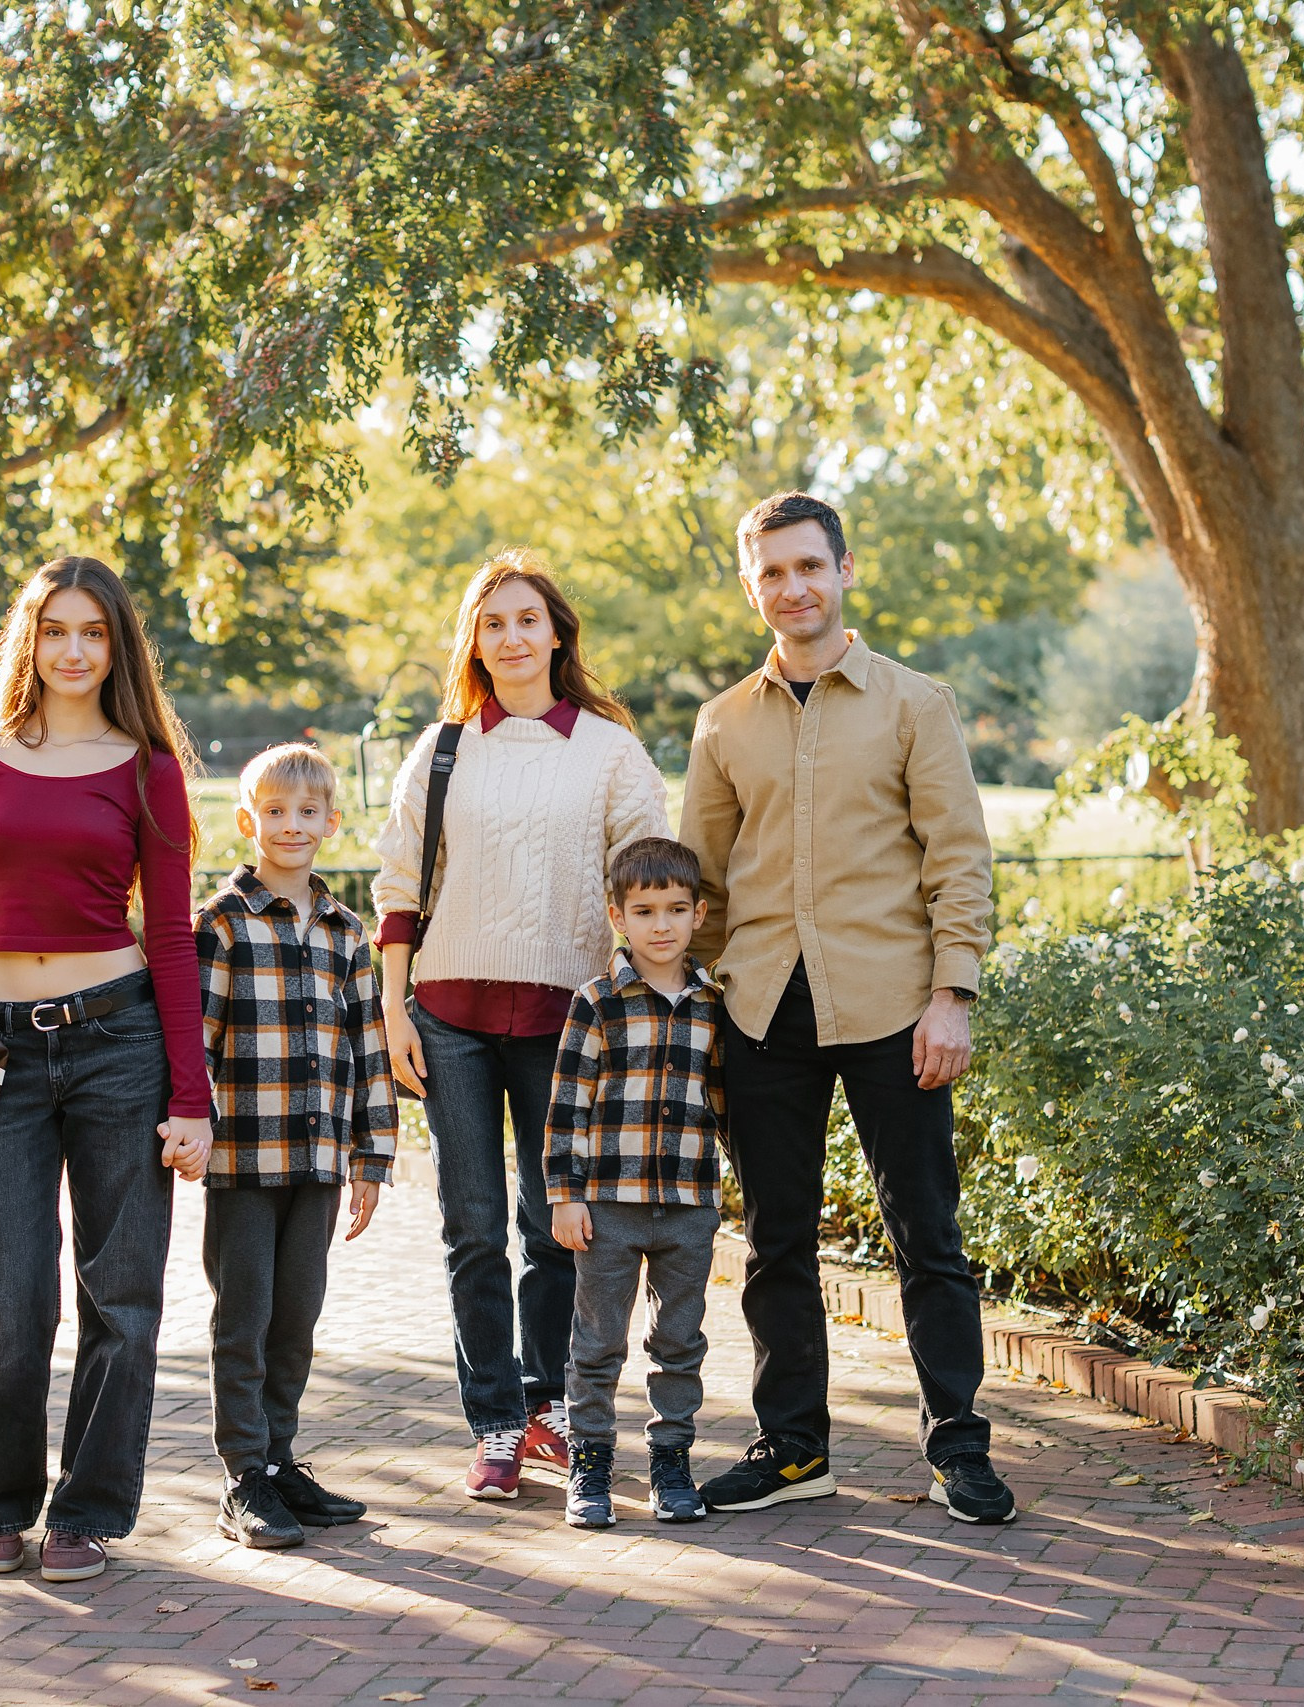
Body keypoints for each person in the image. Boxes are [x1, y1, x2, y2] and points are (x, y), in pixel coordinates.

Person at [680, 490, 1016, 1525]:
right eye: (772, 573)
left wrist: (951, 993)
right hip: (761, 1008)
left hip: (892, 1008)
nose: (792, 588)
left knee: (927, 1234)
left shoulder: (916, 704)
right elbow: (700, 881)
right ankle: (792, 1450)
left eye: (807, 566)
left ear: (844, 570)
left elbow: (957, 859)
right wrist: (696, 1005)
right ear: (752, 588)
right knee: (776, 1240)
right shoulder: (722, 722)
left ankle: (956, 1447)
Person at [0, 556, 215, 1584]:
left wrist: (189, 1098)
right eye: (56, 631)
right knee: (4, 1295)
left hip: (119, 1040)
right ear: (28, 641)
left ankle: (85, 1514)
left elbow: (169, 937)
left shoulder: (146, 768)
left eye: (94, 633)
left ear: (117, 647)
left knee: (121, 1296)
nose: (74, 651)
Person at [372, 549, 669, 1499]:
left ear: (556, 633)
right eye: (492, 622)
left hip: (563, 1021)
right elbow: (396, 890)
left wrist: (629, 1001)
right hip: (449, 1014)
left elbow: (648, 879)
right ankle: (494, 1423)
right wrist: (392, 1010)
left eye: (527, 619)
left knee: (553, 1227)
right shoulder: (444, 747)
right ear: (475, 640)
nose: (510, 637)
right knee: (471, 1227)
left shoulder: (611, 749)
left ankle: (550, 1408)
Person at [194, 742, 396, 1550]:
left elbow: (369, 1044)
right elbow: (197, 1044)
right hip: (242, 1159)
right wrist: (187, 1129)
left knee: (297, 1315)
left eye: (307, 811)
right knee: (243, 1316)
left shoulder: (348, 931)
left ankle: (279, 1460)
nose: (291, 825)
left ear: (331, 823)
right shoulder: (221, 924)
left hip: (316, 1160)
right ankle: (242, 1473)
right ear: (247, 821)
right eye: (274, 811)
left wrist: (371, 1156)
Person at [544, 837, 724, 1530]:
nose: (661, 925)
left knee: (679, 1341)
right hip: (607, 1210)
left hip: (686, 1207)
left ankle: (671, 1460)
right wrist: (565, 1194)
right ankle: (588, 1464)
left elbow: (723, 1103)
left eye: (676, 909)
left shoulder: (713, 1005)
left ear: (699, 913)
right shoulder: (596, 1003)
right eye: (644, 910)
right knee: (598, 1342)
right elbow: (566, 1110)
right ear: (618, 916)